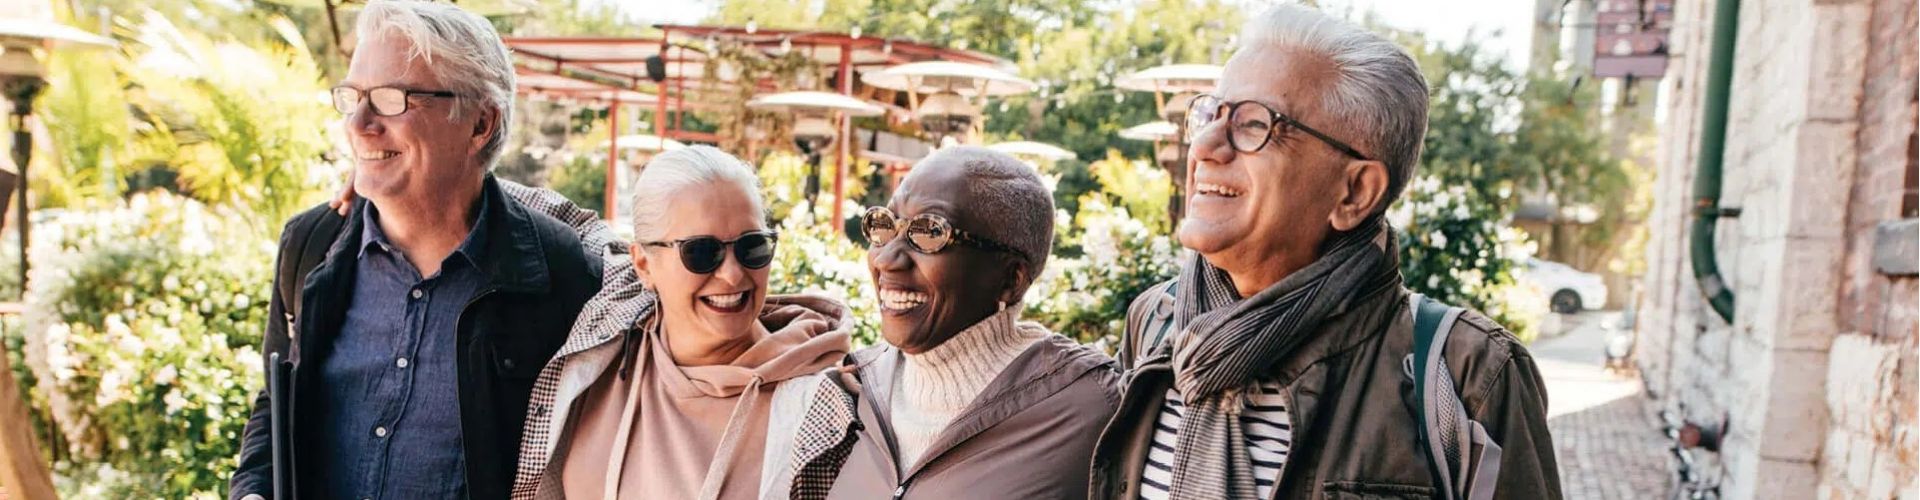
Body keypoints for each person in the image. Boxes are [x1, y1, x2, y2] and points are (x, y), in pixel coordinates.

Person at [1088, 5, 1562, 500]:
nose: (1205, 144)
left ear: (1355, 192)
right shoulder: (1156, 322)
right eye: (1210, 113)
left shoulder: (1469, 374)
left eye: (1253, 124)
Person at [227, 1, 603, 499]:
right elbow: (276, 405)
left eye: (390, 99)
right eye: (353, 97)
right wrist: (253, 491)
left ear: (479, 124)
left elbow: (659, 276)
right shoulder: (312, 244)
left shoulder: (561, 272)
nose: (358, 124)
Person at [506, 145, 858, 500]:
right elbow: (529, 209)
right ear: (643, 264)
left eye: (752, 246)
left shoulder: (820, 407)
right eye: (702, 252)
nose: (733, 275)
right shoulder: (612, 335)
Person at [823, 146, 1121, 499]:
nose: (886, 260)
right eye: (885, 226)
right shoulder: (854, 389)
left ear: (1011, 279)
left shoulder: (1093, 409)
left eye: (930, 232)